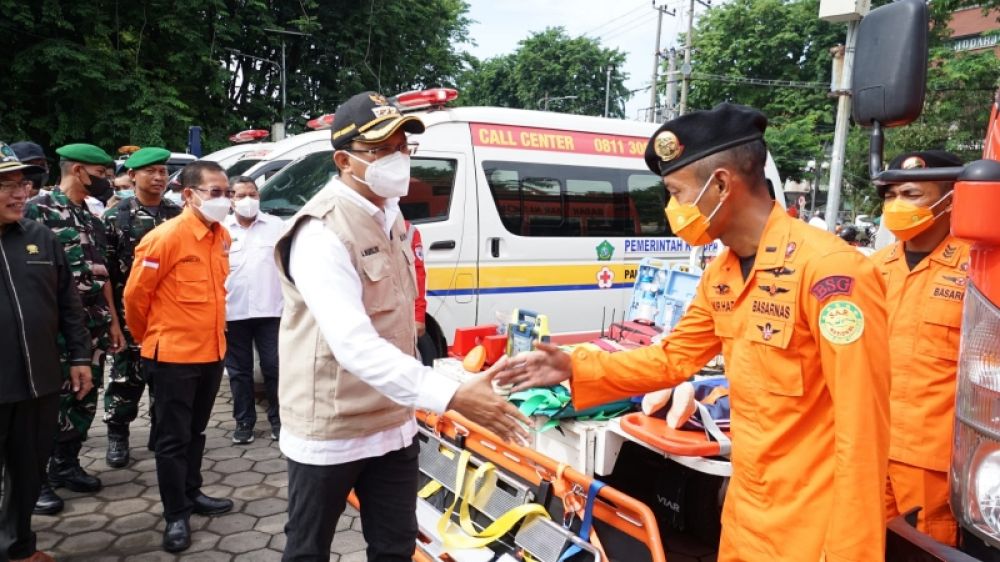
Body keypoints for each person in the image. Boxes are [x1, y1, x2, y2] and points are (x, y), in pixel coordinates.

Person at [496, 103, 890, 562]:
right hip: (745, 515)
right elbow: (672, 359)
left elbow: (864, 433)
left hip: (814, 530)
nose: (673, 210)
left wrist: (851, 552)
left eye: (676, 193)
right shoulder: (722, 274)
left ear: (720, 184)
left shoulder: (830, 272)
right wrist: (573, 365)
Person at [275, 91, 530, 561]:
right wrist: (451, 396)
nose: (398, 159)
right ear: (344, 161)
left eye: (402, 147)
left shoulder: (391, 216)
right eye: (380, 150)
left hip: (393, 423)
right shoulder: (321, 232)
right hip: (332, 427)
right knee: (308, 549)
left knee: (396, 545)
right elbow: (354, 345)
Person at [123, 160, 234, 552]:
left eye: (227, 193)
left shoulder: (222, 236)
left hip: (212, 351)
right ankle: (176, 515)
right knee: (171, 440)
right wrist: (151, 339)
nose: (225, 200)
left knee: (196, 432)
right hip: (172, 356)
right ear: (189, 195)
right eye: (215, 193)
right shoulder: (165, 238)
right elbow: (135, 299)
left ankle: (192, 491)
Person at [0, 143, 91, 562]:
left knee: (29, 470)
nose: (21, 193)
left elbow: (69, 304)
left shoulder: (40, 237)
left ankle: (18, 548)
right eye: (7, 185)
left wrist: (80, 358)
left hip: (39, 382)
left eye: (22, 184)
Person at [24, 143, 125, 515]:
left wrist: (113, 321)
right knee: (47, 403)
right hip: (51, 330)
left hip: (90, 328)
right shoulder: (37, 210)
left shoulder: (93, 219)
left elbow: (104, 275)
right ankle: (34, 480)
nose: (107, 180)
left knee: (84, 397)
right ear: (78, 170)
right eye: (101, 174)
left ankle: (66, 464)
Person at [873, 150, 968, 546]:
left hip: (931, 458)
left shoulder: (979, 270)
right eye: (890, 195)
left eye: (911, 194)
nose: (897, 205)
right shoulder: (875, 268)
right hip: (870, 443)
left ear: (950, 199)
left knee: (923, 550)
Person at [102, 147, 182, 468]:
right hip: (130, 315)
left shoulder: (177, 215)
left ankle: (161, 433)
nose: (159, 177)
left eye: (163, 171)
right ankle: (117, 434)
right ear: (132, 175)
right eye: (151, 171)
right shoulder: (115, 217)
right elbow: (106, 276)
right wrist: (113, 322)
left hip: (170, 316)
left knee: (167, 379)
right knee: (126, 378)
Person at [222, 175, 284, 444]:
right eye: (241, 195)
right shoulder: (220, 229)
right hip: (233, 312)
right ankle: (244, 421)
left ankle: (279, 420)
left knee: (274, 367)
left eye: (253, 194)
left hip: (271, 310)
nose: (248, 200)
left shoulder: (276, 226)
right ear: (230, 199)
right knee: (239, 371)